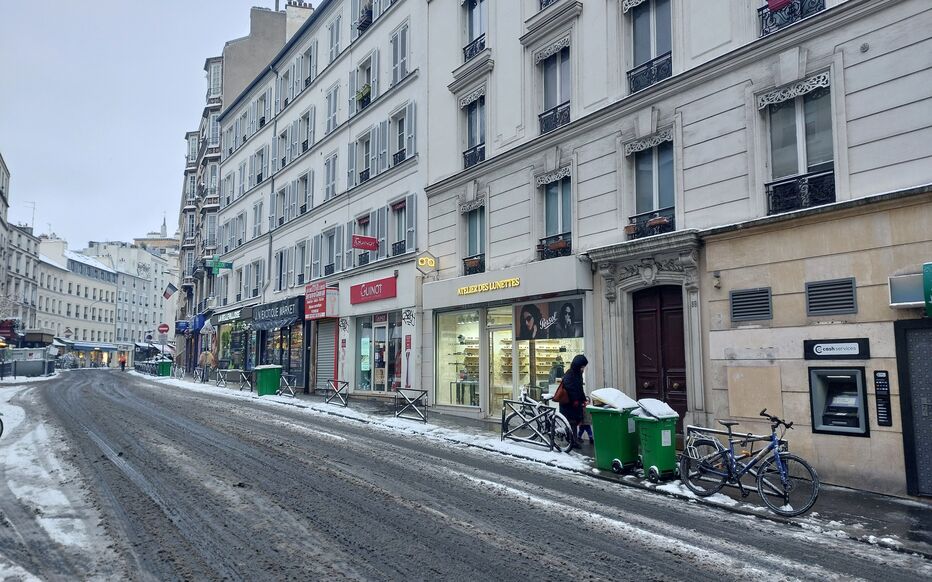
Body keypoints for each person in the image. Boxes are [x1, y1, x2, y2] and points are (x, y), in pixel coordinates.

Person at [559, 354, 589, 449]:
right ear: (578, 365)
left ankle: (571, 438)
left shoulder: (578, 374)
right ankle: (573, 441)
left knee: (574, 421)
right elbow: (570, 388)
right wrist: (576, 399)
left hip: (574, 403)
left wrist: (583, 399)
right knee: (572, 422)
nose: (583, 368)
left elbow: (579, 388)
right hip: (568, 403)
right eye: (582, 366)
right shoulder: (570, 374)